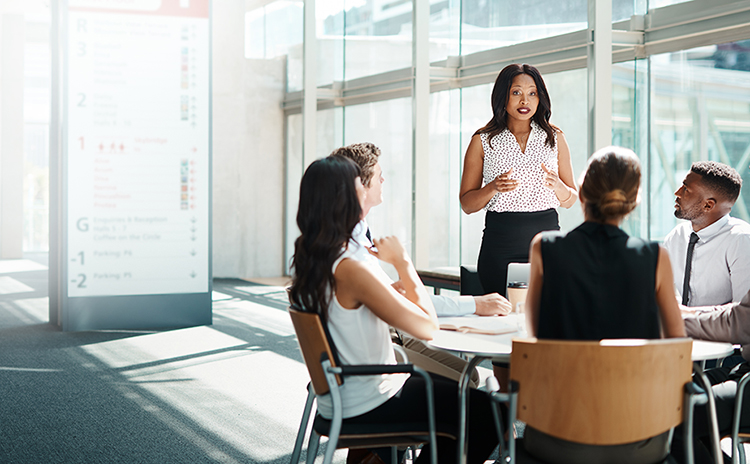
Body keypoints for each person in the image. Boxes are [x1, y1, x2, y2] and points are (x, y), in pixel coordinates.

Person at [289, 155, 499, 464]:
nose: (365, 189)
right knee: (489, 413)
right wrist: (404, 263)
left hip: (345, 393)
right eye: (359, 185)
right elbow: (426, 328)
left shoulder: (314, 258)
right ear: (344, 197)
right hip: (371, 398)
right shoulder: (349, 267)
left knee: (465, 405)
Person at [524, 146, 686, 463]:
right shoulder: (655, 257)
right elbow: (677, 349)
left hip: (554, 435)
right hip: (640, 440)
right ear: (633, 201)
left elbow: (532, 337)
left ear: (581, 192)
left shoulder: (544, 247)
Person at [331, 143, 511, 389]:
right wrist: (403, 262)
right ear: (359, 185)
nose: (383, 179)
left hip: (378, 339)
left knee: (470, 375)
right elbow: (421, 320)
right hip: (376, 355)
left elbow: (391, 298)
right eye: (377, 174)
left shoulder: (353, 238)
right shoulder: (350, 255)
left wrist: (392, 290)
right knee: (469, 385)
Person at [459, 63, 578, 297]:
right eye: (517, 93)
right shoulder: (483, 140)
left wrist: (558, 186)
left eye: (532, 93)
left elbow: (571, 199)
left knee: (546, 317)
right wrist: (493, 187)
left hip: (547, 247)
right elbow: (467, 204)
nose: (525, 101)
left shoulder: (555, 138)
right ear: (502, 96)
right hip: (500, 246)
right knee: (502, 315)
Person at [664, 161, 750, 307]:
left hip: (720, 330)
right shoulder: (677, 236)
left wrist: (688, 317)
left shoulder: (741, 240)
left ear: (708, 205)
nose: (677, 193)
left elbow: (743, 314)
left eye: (686, 189)